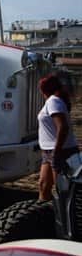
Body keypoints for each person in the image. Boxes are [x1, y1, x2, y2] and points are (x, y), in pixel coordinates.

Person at [37, 74, 78, 202]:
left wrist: (57, 151)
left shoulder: (53, 101)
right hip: (49, 151)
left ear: (44, 90)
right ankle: (44, 214)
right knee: (44, 185)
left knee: (63, 190)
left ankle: (66, 219)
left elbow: (63, 127)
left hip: (61, 151)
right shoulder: (53, 101)